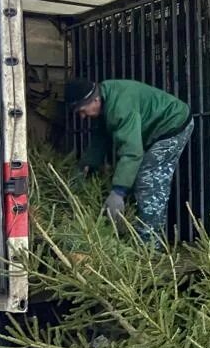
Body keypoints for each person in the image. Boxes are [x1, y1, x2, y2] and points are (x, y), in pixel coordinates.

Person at [65, 78, 193, 241]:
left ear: (95, 100)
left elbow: (132, 152)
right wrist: (86, 164)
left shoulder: (120, 108)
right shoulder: (105, 99)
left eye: (83, 110)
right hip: (154, 129)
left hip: (173, 124)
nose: (83, 117)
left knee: (149, 181)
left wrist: (118, 191)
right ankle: (137, 234)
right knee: (136, 177)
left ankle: (150, 245)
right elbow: (101, 138)